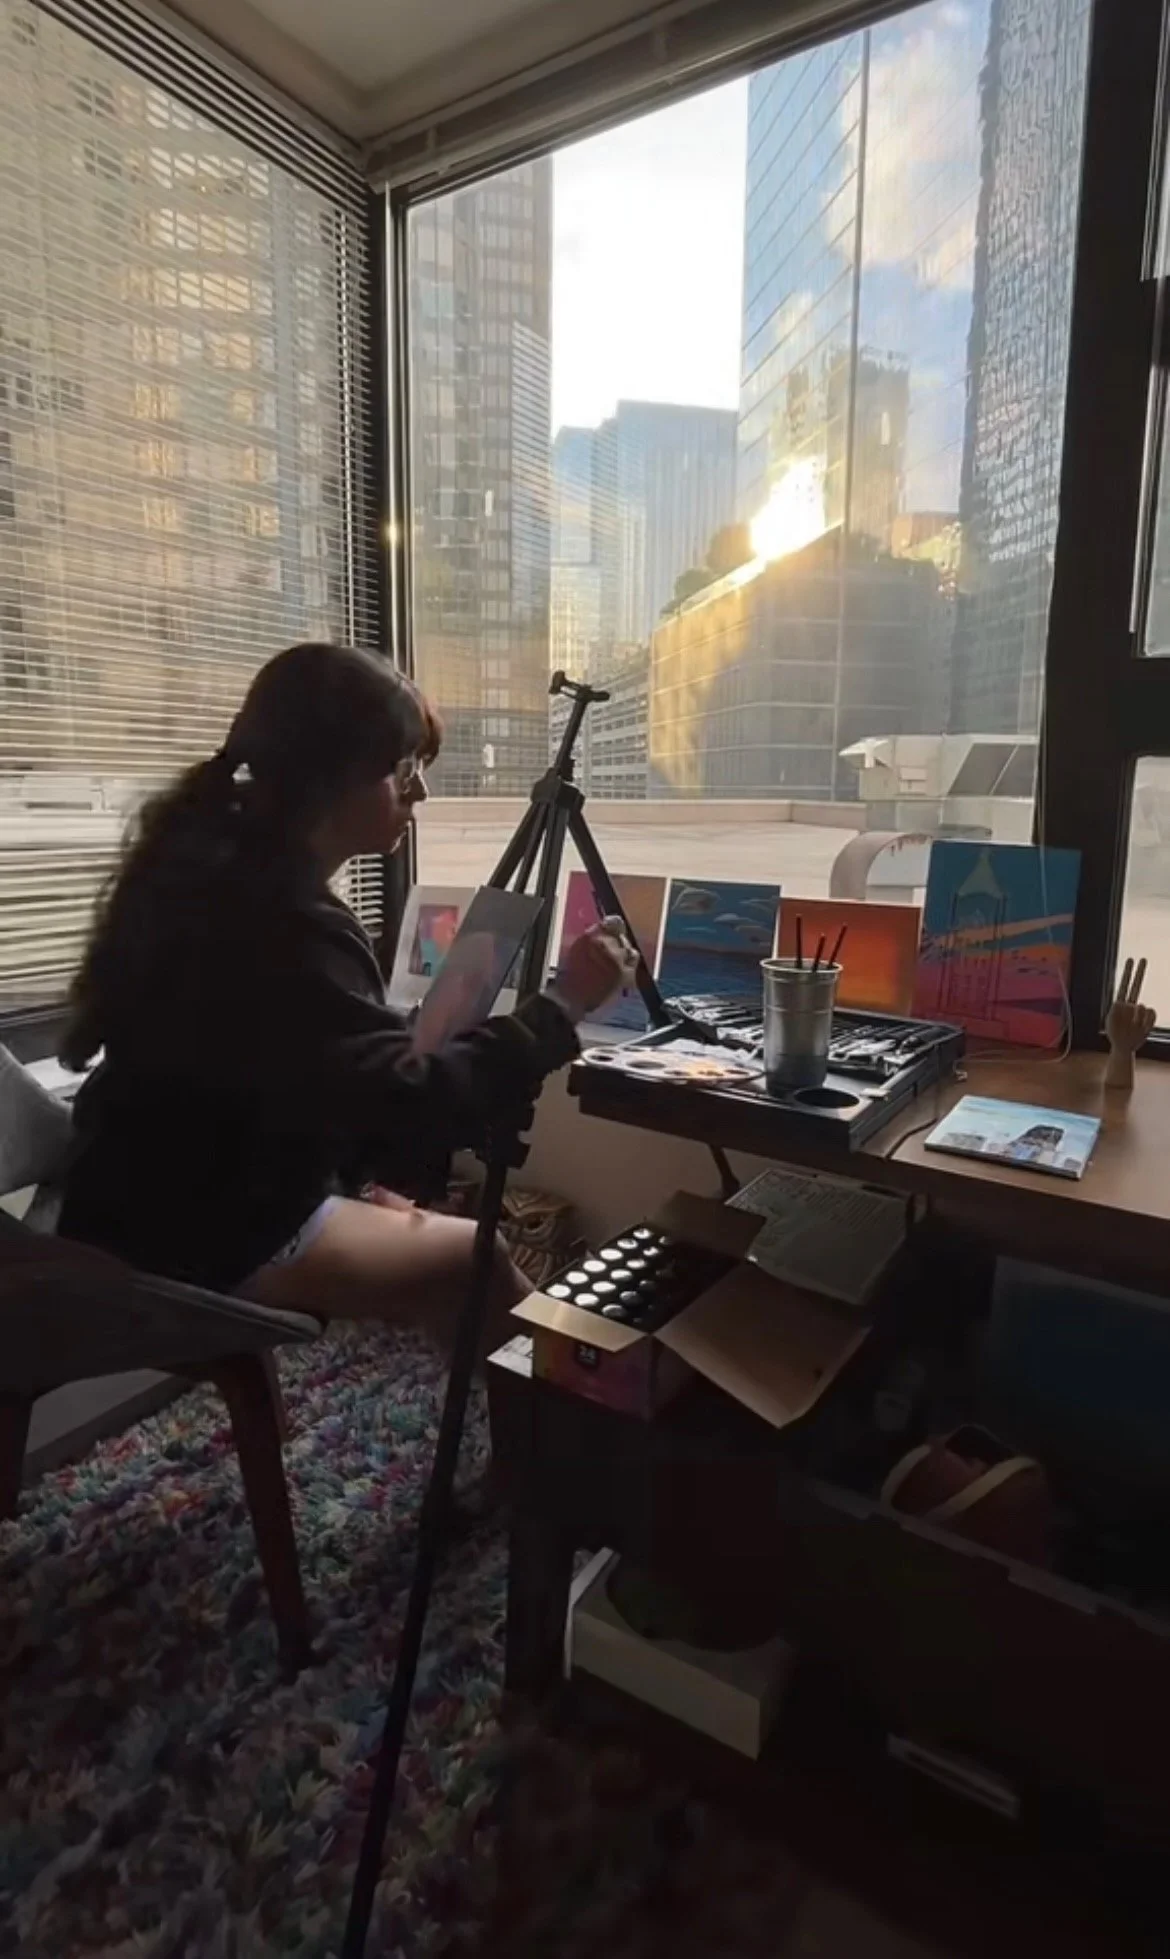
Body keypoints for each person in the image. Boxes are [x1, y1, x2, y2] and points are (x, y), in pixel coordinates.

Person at [59, 642, 632, 1348]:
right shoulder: (288, 921)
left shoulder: (218, 878)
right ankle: (573, 1398)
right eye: (403, 770)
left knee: (412, 1217)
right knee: (475, 1259)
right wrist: (565, 1003)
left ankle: (534, 1398)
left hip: (129, 1195)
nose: (420, 793)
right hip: (200, 1232)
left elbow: (292, 1070)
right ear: (332, 778)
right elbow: (412, 1108)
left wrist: (361, 1160)